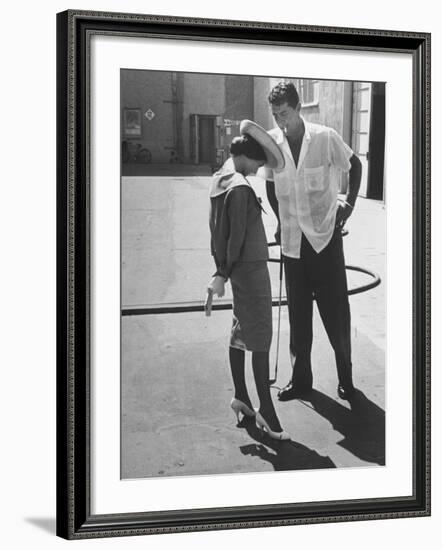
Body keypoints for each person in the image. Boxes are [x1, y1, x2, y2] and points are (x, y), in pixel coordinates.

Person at [264, 81, 362, 401]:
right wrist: (280, 220)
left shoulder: (324, 137)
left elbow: (355, 164)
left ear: (300, 107)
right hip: (293, 244)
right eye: (276, 115)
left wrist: (349, 204)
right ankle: (301, 380)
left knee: (336, 314)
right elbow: (269, 184)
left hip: (325, 240)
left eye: (286, 114)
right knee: (299, 317)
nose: (281, 121)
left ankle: (346, 379)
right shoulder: (273, 143)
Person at [207, 120, 290, 440]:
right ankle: (266, 412)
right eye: (258, 163)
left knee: (240, 333)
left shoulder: (222, 178)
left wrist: (221, 270)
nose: (259, 169)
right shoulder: (240, 186)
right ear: (247, 157)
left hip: (239, 269)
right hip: (251, 271)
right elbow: (236, 236)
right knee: (260, 339)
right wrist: (222, 273)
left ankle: (241, 396)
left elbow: (218, 233)